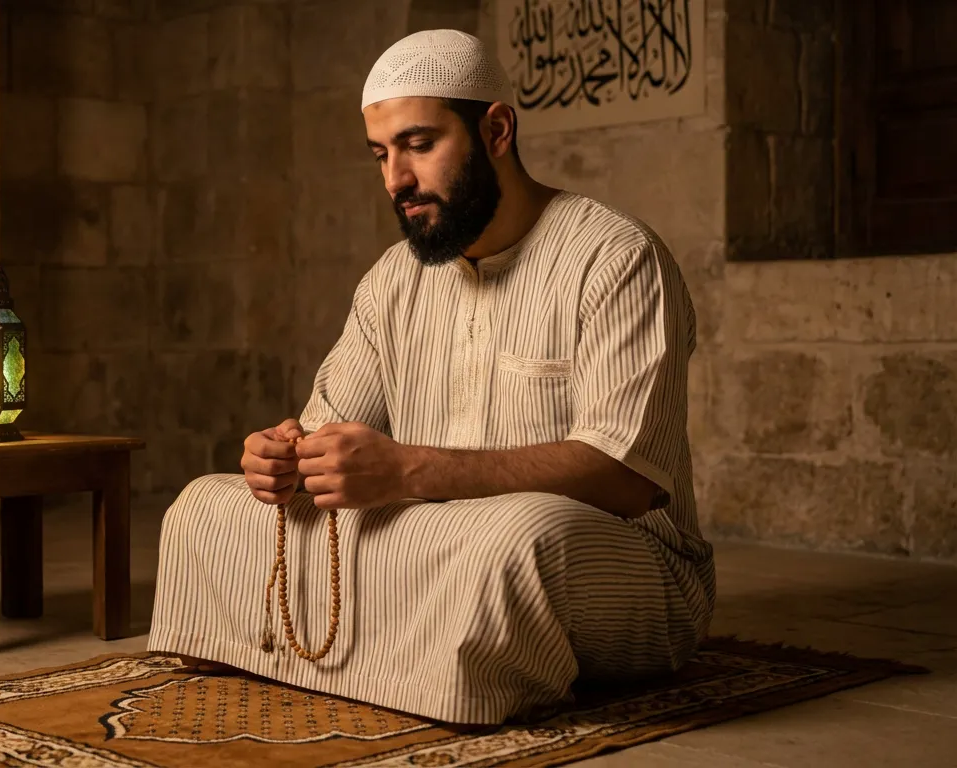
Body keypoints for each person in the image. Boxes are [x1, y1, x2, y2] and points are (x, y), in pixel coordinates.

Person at [145, 28, 715, 725]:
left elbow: (628, 478)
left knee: (517, 539)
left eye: (418, 145)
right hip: (439, 541)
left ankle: (396, 655)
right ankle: (415, 655)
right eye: (381, 155)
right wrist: (284, 458)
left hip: (623, 560)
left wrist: (411, 473)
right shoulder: (393, 280)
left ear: (496, 130)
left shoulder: (615, 258)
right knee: (208, 505)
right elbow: (328, 430)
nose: (396, 179)